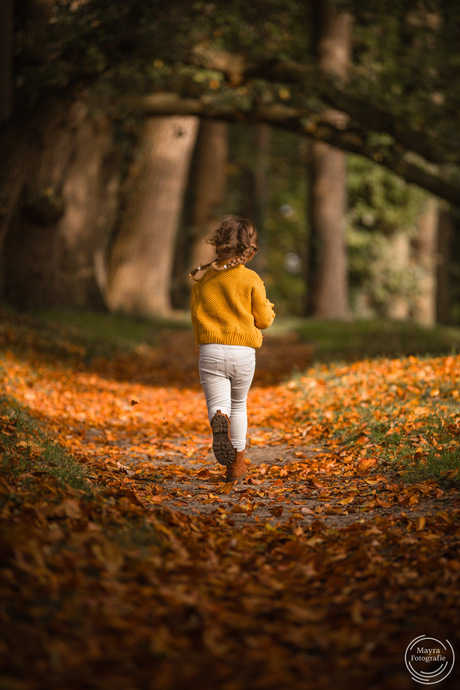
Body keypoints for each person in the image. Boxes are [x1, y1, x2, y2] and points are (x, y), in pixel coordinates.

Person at [189, 214, 275, 483]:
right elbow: (264, 319)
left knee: (220, 405)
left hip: (212, 350)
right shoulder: (251, 279)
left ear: (219, 243)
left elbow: (195, 315)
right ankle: (236, 465)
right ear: (250, 249)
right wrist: (269, 310)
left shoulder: (204, 278)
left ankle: (218, 417)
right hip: (243, 353)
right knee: (239, 405)